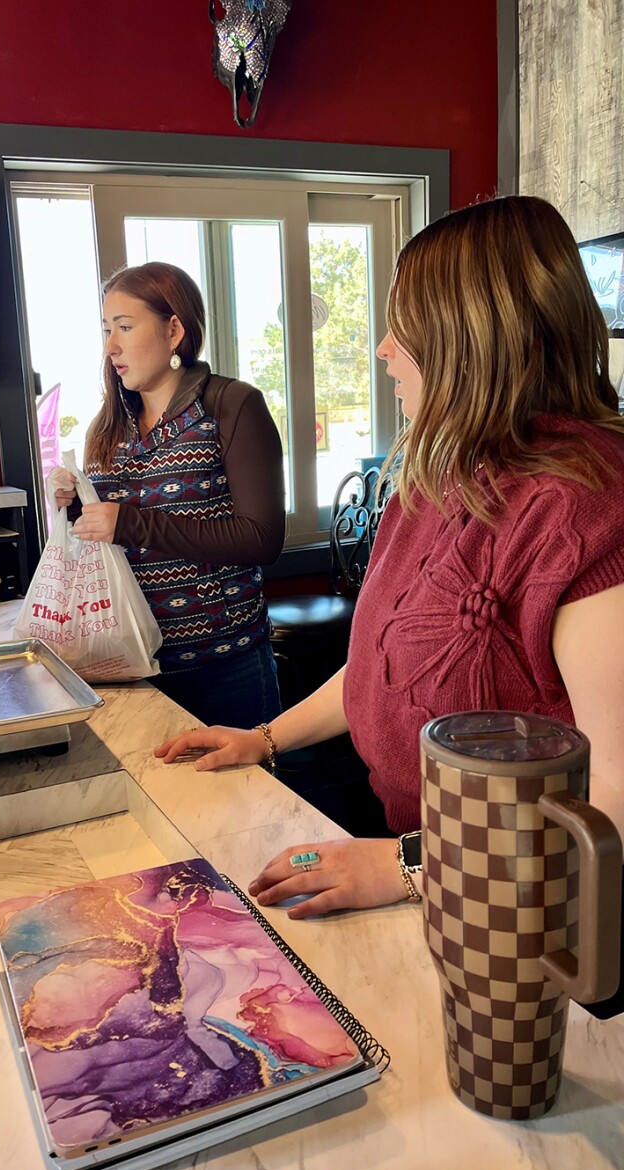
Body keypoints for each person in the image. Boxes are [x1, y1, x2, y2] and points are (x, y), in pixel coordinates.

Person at [156, 196, 624, 937]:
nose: (381, 349)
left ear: (471, 337)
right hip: (426, 862)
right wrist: (265, 737)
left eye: (401, 326)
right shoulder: (439, 472)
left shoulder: (587, 506)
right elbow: (382, 665)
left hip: (535, 918)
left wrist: (409, 866)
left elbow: (613, 797)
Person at [50, 260, 285, 729]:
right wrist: (74, 503)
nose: (110, 346)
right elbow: (105, 535)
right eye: (106, 329)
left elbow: (262, 538)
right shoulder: (109, 423)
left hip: (223, 668)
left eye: (124, 326)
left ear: (173, 329)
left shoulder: (232, 404)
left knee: (242, 803)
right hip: (131, 667)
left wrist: (130, 523)